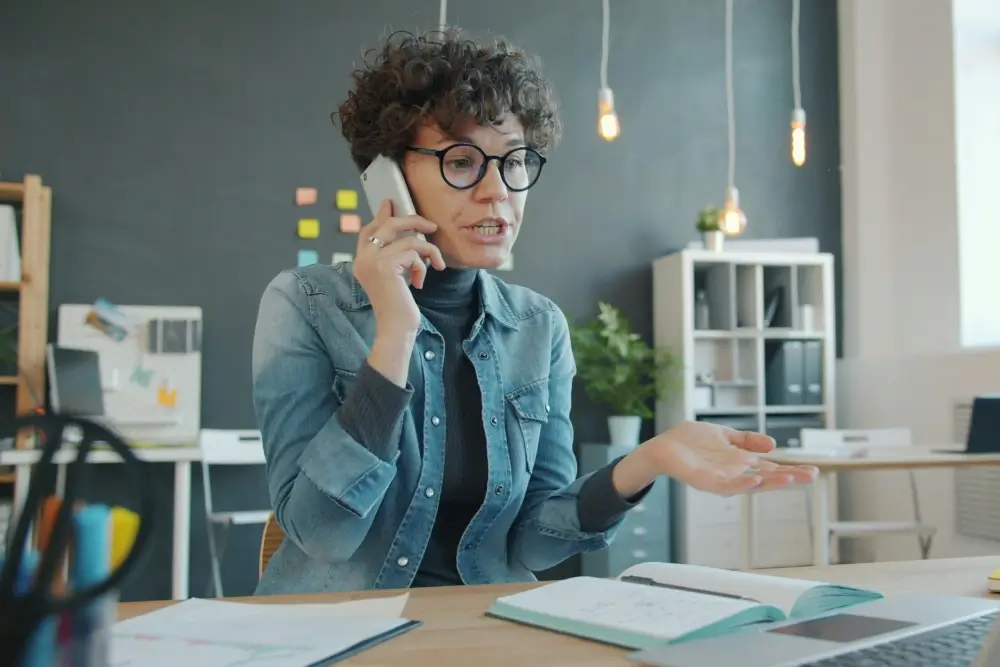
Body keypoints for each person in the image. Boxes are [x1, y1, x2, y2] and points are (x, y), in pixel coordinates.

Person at [251, 28, 817, 595]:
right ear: (388, 180)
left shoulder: (536, 327)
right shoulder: (305, 304)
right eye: (463, 161)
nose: (498, 191)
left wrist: (648, 460)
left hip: (486, 627)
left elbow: (532, 542)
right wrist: (395, 335)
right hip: (337, 633)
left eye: (514, 162)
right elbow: (321, 532)